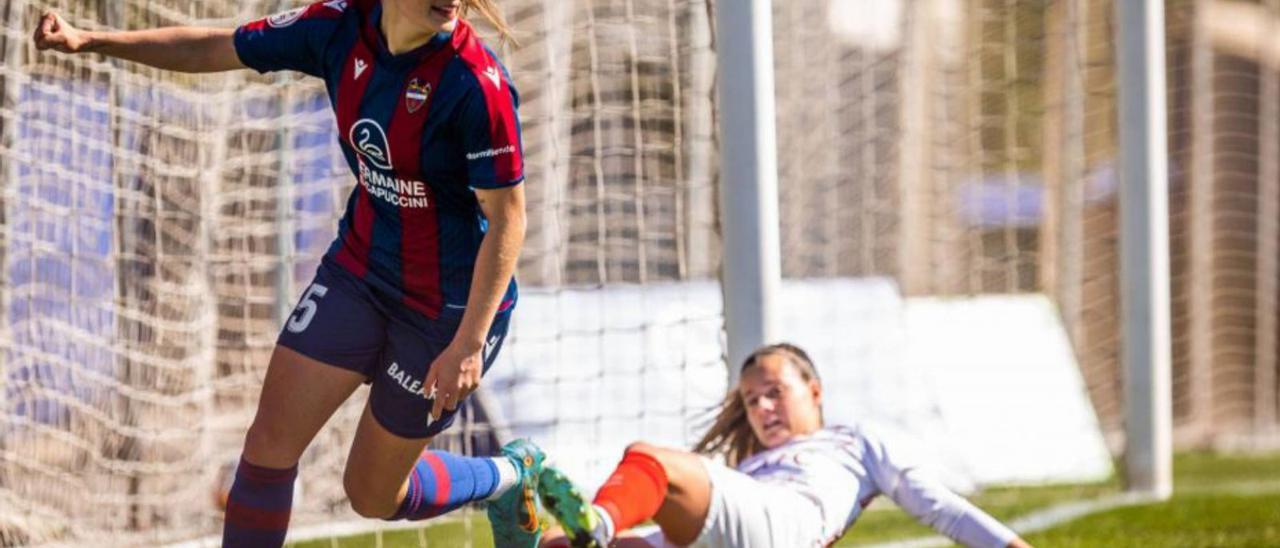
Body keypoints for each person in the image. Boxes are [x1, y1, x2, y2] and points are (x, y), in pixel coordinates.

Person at [33, 2, 544, 546]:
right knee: (268, 447)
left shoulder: (476, 84)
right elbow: (215, 46)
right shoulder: (337, 27)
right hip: (360, 272)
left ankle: (507, 477)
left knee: (372, 495)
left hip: (446, 310)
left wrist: (468, 343)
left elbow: (509, 220)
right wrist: (90, 40)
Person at [538, 343, 1034, 548]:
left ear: (815, 391)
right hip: (737, 533)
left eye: (776, 393)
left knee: (651, 459)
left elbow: (940, 508)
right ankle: (571, 533)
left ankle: (596, 523)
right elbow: (669, 539)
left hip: (785, 529)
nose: (763, 408)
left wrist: (1011, 546)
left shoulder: (854, 440)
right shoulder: (750, 468)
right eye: (753, 400)